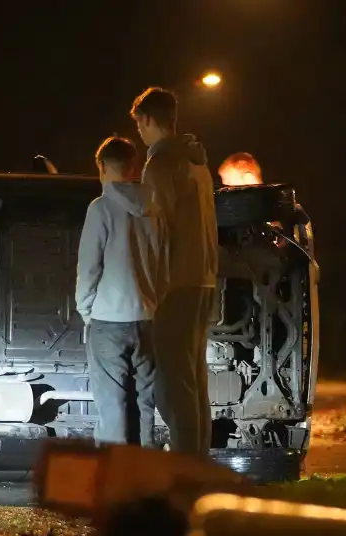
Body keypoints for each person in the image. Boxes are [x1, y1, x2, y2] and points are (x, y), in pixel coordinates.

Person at [130, 86, 219, 456]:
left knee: (173, 387)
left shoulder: (161, 163)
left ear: (149, 119)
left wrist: (148, 288)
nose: (139, 132)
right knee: (195, 384)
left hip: (175, 284)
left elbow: (155, 229)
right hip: (204, 280)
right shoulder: (197, 163)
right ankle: (197, 462)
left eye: (138, 124)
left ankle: (185, 469)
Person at [75, 136, 161, 446]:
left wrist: (86, 310)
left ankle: (114, 479)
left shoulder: (100, 209)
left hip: (108, 321)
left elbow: (89, 267)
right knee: (145, 404)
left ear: (101, 166)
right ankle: (145, 476)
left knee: (113, 406)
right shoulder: (155, 209)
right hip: (148, 319)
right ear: (134, 167)